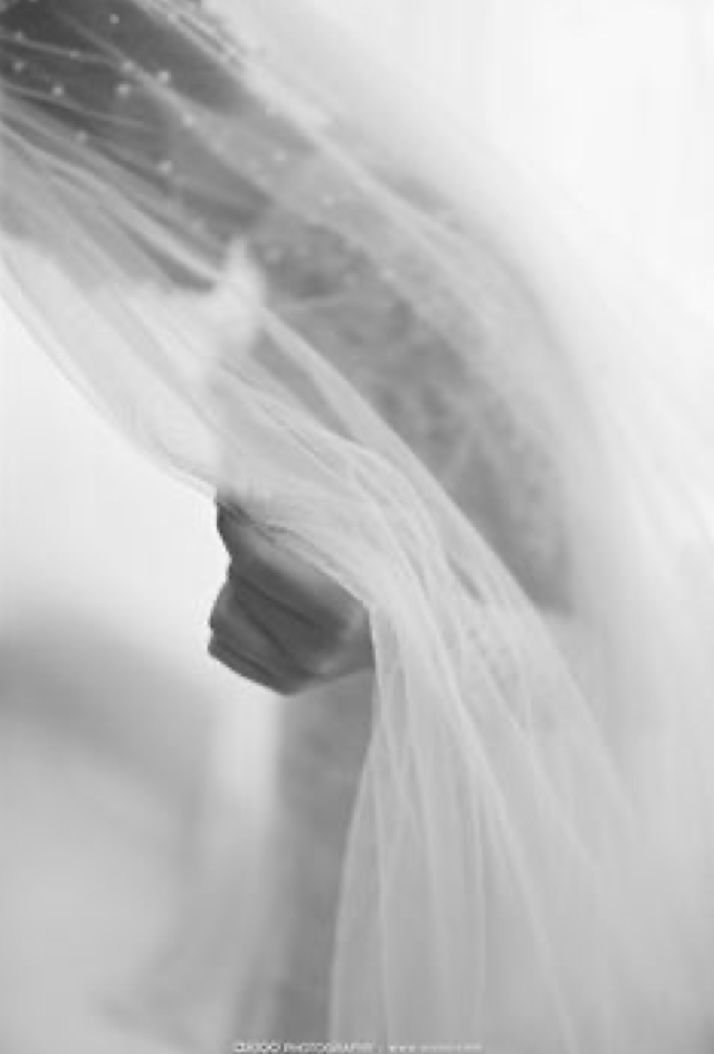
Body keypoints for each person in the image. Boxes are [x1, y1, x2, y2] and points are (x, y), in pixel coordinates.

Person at [5, 2, 714, 1052]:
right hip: (365, 807)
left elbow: (590, 649)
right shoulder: (325, 251)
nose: (74, 270)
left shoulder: (388, 282)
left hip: (434, 860)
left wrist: (391, 626)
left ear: (117, 130)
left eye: (41, 219)